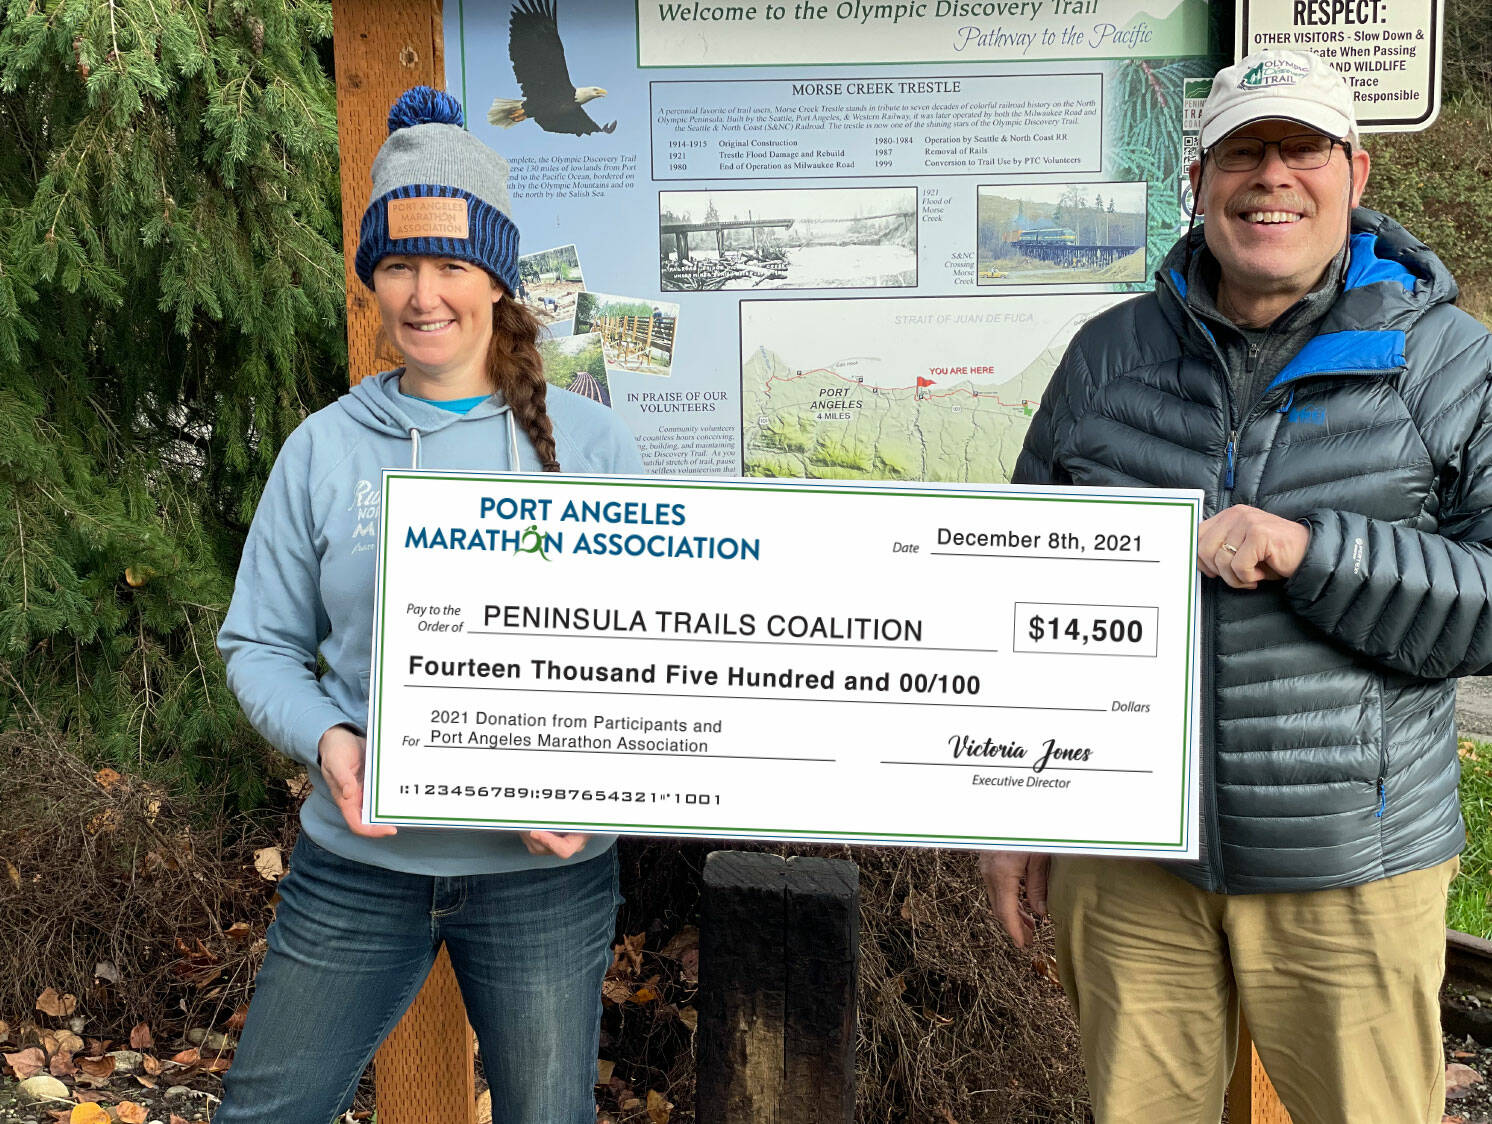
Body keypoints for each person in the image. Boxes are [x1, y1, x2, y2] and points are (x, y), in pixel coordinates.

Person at [981, 49, 1492, 1124]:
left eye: (1300, 150)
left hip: (1350, 864)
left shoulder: (1444, 364)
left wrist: (1315, 552)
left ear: (1354, 176)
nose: (1271, 177)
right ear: (1199, 178)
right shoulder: (1104, 359)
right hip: (1131, 872)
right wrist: (1011, 814)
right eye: (1242, 152)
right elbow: (1016, 601)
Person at [215, 86, 643, 1124]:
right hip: (357, 863)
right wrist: (328, 739)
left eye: (450, 263)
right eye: (398, 264)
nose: (423, 293)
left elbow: (648, 653)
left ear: (496, 276)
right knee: (263, 1113)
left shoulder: (588, 448)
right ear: (371, 276)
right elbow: (259, 642)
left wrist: (592, 785)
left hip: (542, 874)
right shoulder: (322, 448)